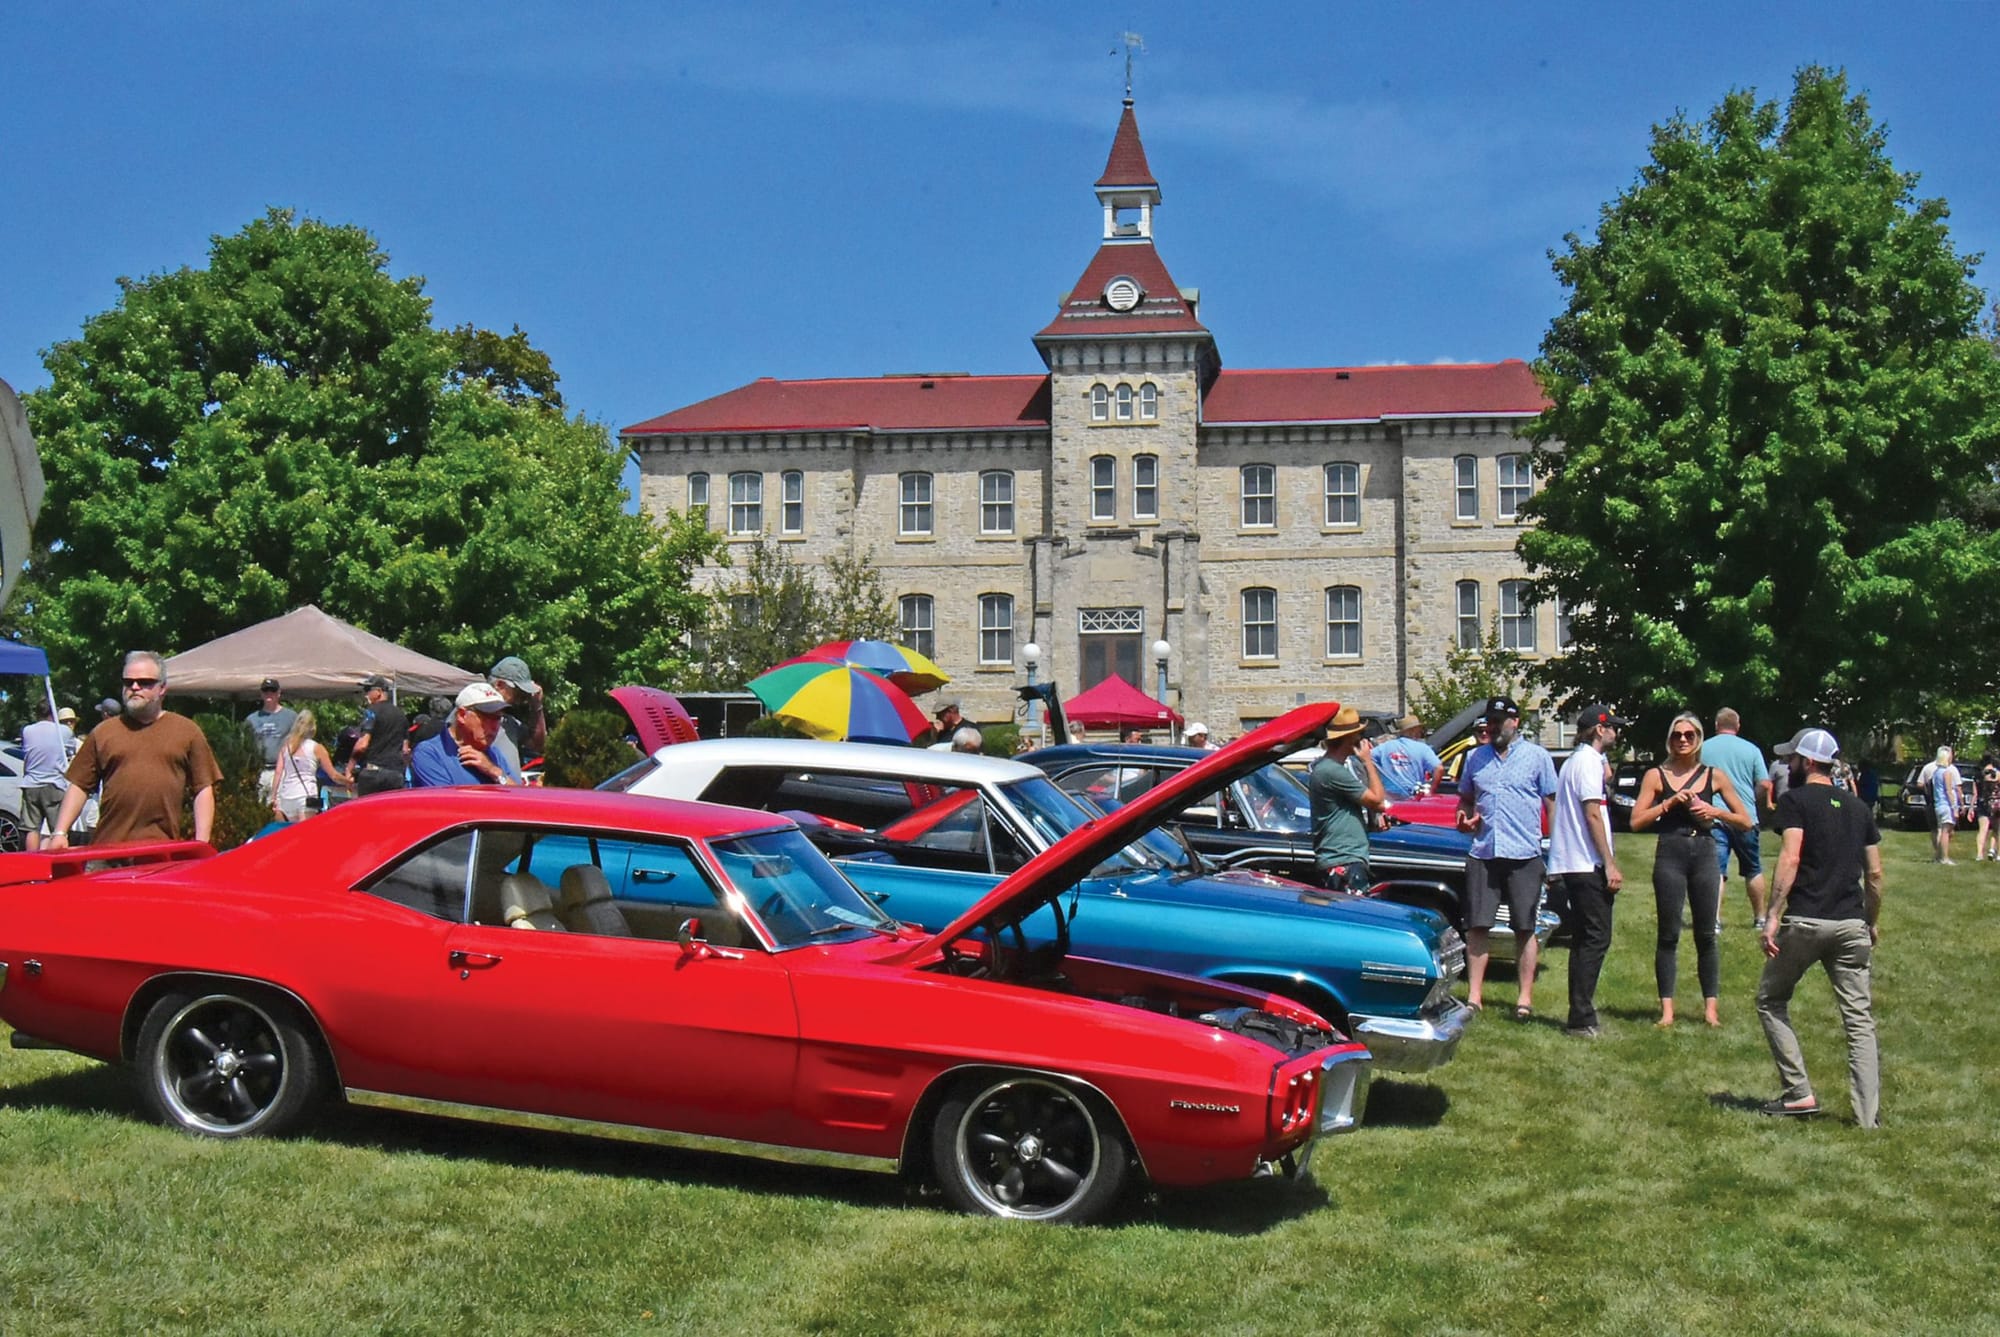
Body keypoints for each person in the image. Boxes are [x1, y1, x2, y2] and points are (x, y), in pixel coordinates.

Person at [1757, 728, 1884, 1126]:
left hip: (1807, 921)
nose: (1787, 764)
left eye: (1792, 758)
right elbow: (1876, 874)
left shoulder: (1795, 802)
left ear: (1807, 762)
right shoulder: (1859, 808)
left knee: (1770, 1000)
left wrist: (1773, 915)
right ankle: (1867, 1116)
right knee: (1859, 1020)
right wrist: (1872, 921)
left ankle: (1798, 1093)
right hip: (1850, 923)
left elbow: (1790, 858)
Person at [1631, 711, 1754, 1027]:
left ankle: (1710, 1010)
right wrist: (1668, 805)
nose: (1683, 740)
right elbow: (1636, 821)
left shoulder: (1714, 776)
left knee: (1706, 934)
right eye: (1677, 735)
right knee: (1668, 933)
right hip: (1670, 852)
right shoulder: (1656, 776)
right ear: (1670, 740)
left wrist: (1714, 810)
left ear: (1699, 739)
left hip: (1704, 852)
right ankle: (1667, 1011)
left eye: (1689, 735)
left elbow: (1746, 820)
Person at [50, 650, 221, 848]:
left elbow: (203, 788)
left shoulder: (187, 731)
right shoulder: (104, 732)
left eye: (144, 682)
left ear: (162, 688)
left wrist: (201, 842)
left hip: (161, 851)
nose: (134, 687)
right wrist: (60, 832)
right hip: (107, 850)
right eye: (128, 682)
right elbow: (80, 785)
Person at [1455, 696, 1556, 1016]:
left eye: (1500, 721)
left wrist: (1553, 848)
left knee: (1525, 927)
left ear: (1516, 722)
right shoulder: (1475, 758)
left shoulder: (1537, 757)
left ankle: (1524, 998)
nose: (1494, 726)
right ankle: (1474, 996)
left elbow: (1552, 804)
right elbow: (1466, 800)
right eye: (1490, 721)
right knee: (1477, 926)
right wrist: (1464, 818)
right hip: (1484, 851)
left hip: (1524, 852)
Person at [1548, 704, 1628, 1037]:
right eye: (1614, 728)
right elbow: (1592, 813)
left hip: (1574, 861)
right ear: (1600, 729)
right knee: (1595, 938)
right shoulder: (1585, 763)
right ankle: (1580, 1016)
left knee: (1585, 939)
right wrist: (1608, 861)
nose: (1617, 733)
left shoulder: (1581, 761)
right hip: (1585, 863)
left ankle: (1581, 1011)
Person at [1702, 707, 1774, 929]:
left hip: (1714, 815)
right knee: (1753, 868)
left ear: (1716, 725)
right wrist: (1751, 798)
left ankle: (1713, 920)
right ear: (1738, 725)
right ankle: (1760, 918)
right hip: (1745, 816)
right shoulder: (1751, 749)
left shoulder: (1703, 748)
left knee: (1717, 870)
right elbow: (1764, 783)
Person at [1307, 705, 1386, 892]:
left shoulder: (1331, 769)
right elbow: (1377, 800)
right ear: (1349, 738)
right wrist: (1367, 761)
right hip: (1344, 860)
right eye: (1359, 734)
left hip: (1344, 859)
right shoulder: (1331, 771)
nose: (1362, 739)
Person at [410, 683, 524, 787]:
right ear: (462, 715)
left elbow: (519, 797)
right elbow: (446, 804)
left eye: (498, 718)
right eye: (487, 717)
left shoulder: (494, 754)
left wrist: (494, 771)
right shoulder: (430, 753)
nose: (495, 726)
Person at [19, 701, 75, 851]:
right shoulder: (63, 731)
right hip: (54, 784)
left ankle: (32, 863)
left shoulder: (27, 730)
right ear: (54, 713)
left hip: (31, 784)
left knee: (32, 828)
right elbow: (70, 752)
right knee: (58, 830)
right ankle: (59, 864)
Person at [343, 675, 409, 795]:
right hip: (396, 774)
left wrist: (349, 768)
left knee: (368, 812)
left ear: (379, 692)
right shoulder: (401, 715)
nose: (366, 695)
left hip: (374, 773)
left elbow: (362, 744)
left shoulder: (372, 712)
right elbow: (405, 750)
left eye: (368, 690)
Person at [270, 710, 335, 822]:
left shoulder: (286, 747)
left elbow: (278, 772)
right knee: (306, 834)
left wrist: (273, 796)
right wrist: (347, 781)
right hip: (306, 797)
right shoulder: (316, 748)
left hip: (287, 797)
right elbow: (333, 775)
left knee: (290, 835)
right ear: (313, 727)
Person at [487, 656, 547, 773]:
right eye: (518, 693)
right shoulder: (469, 715)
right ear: (499, 685)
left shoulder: (509, 723)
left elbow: (537, 745)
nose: (521, 700)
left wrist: (537, 706)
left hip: (511, 789)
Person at [243, 677, 297, 804]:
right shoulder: (251, 719)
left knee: (278, 806)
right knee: (259, 806)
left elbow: (299, 743)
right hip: (259, 772)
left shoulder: (291, 717)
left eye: (272, 690)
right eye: (266, 691)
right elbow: (245, 747)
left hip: (282, 771)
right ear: (261, 694)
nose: (269, 694)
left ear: (278, 693)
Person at [1375, 714, 1443, 797]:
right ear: (1413, 730)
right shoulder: (1423, 748)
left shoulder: (1385, 747)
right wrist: (1431, 791)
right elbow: (1439, 769)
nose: (1421, 731)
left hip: (1389, 796)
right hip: (1412, 795)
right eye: (1419, 729)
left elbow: (1366, 760)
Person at [1927, 746, 1963, 864]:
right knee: (1946, 832)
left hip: (1938, 805)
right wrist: (1955, 807)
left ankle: (1938, 856)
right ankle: (1944, 857)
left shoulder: (1936, 772)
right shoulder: (1946, 772)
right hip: (1946, 805)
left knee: (1944, 831)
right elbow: (1949, 791)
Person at [1976, 755, 2000, 862]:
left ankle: (1979, 854)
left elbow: (1975, 793)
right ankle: (1994, 851)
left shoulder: (1979, 775)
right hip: (1996, 803)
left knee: (1983, 830)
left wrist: (1971, 808)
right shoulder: (1997, 773)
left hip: (1982, 802)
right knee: (1996, 829)